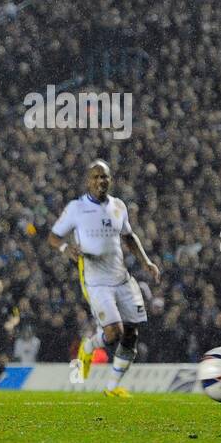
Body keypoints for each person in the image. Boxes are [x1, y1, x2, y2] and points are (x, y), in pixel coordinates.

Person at [47, 160, 159, 397]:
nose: (101, 181)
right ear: (89, 181)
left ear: (110, 180)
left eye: (105, 177)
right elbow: (53, 237)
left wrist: (146, 262)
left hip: (121, 277)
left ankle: (112, 387)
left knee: (132, 334)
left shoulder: (118, 206)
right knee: (114, 332)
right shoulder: (76, 208)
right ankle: (88, 347)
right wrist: (65, 248)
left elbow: (129, 237)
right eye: (96, 177)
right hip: (95, 281)